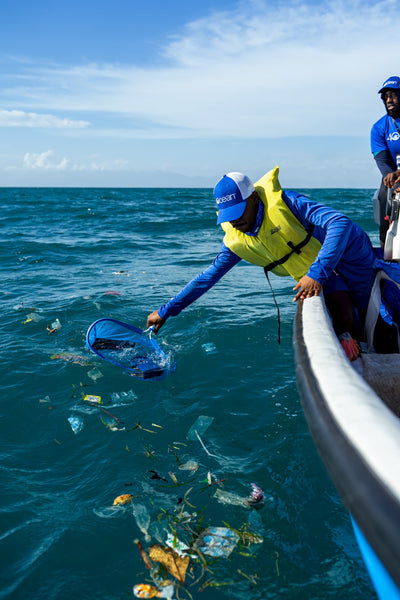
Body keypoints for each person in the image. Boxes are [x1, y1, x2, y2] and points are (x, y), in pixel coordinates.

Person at [147, 167, 376, 361]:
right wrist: (167, 311)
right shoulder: (238, 239)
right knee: (346, 318)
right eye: (229, 216)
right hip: (325, 269)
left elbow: (340, 223)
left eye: (238, 212)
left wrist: (316, 273)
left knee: (377, 318)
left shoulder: (289, 203)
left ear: (254, 197)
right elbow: (207, 277)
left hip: (351, 254)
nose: (235, 221)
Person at [371, 76, 400, 247]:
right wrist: (393, 179)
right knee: (383, 197)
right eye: (385, 96)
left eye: (393, 95)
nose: (389, 100)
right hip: (394, 177)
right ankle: (385, 251)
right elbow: (382, 161)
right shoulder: (379, 127)